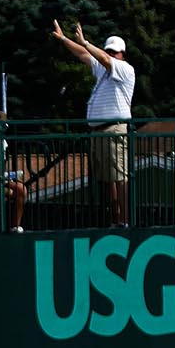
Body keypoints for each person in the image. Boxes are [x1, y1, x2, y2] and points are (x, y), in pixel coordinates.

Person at [50, 19, 133, 226]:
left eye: (115, 52)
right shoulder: (102, 69)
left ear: (122, 54)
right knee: (107, 179)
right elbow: (82, 54)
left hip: (114, 129)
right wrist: (64, 40)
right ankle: (115, 219)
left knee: (120, 176)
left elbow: (101, 57)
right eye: (110, 51)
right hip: (99, 130)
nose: (112, 54)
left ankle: (124, 220)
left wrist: (86, 42)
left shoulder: (125, 69)